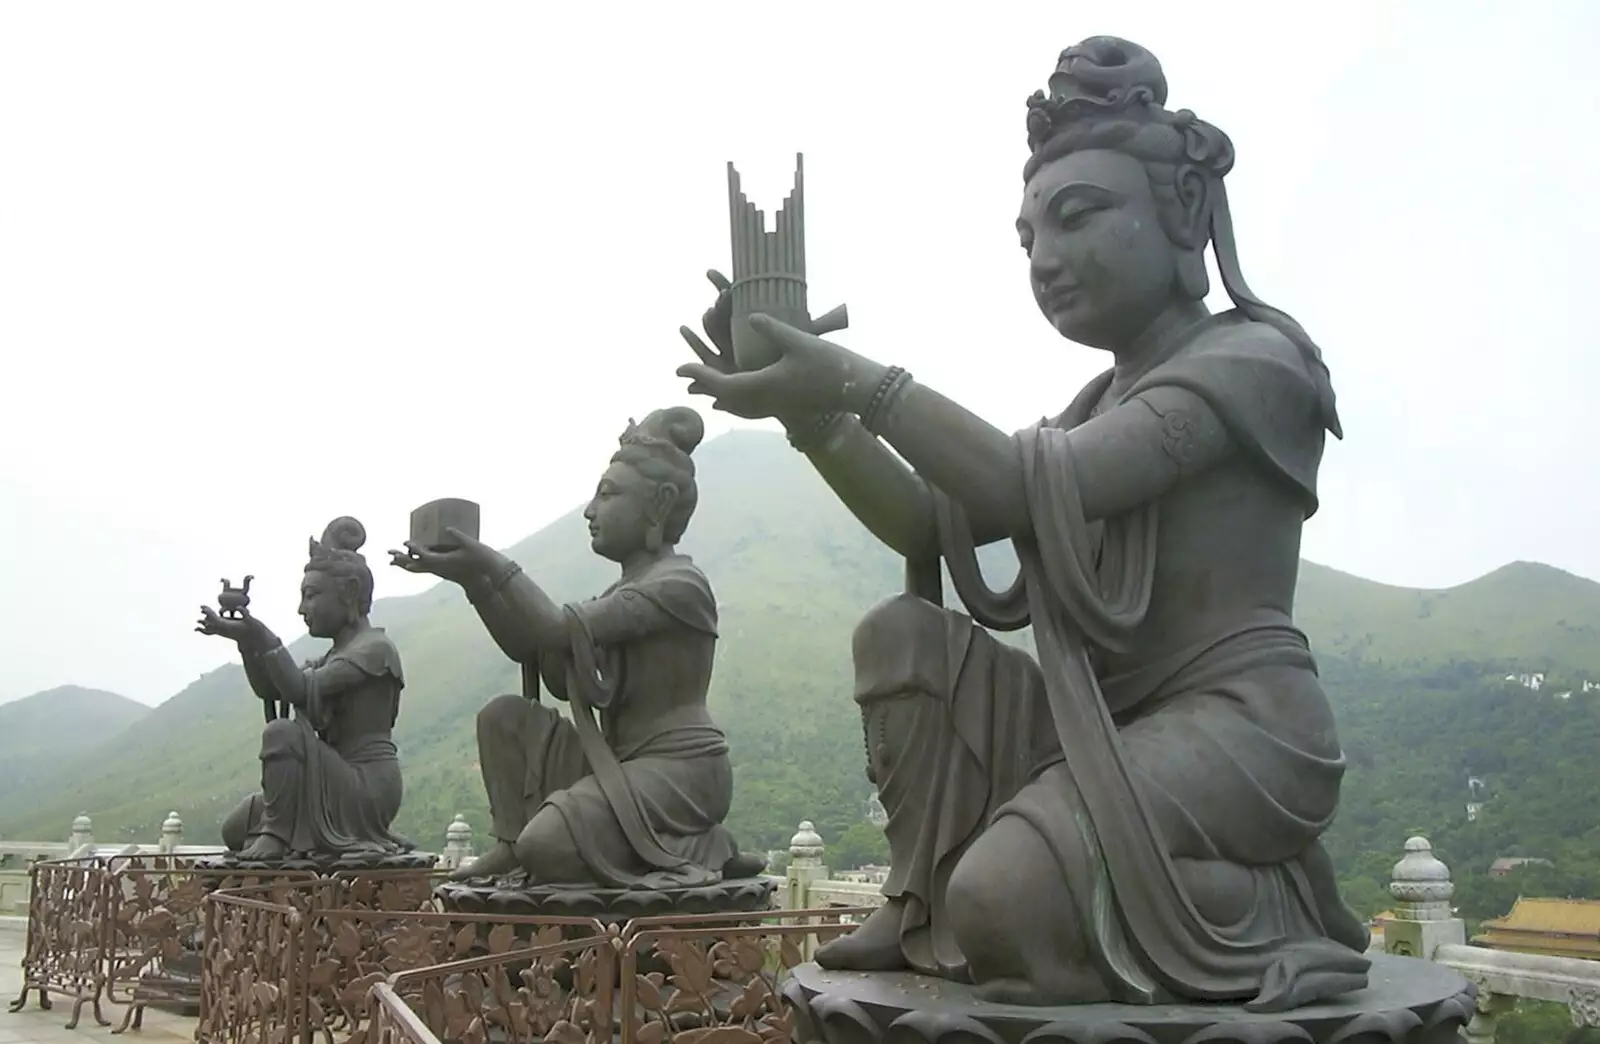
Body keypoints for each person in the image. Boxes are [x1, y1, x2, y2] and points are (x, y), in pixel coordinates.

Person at [675, 37, 1369, 1012]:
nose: (1046, 259)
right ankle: (922, 896)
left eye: (1077, 218)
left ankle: (1260, 904)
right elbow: (924, 520)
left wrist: (857, 384)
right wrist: (810, 414)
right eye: (1027, 238)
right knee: (901, 634)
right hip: (1104, 723)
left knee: (1002, 900)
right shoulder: (1093, 406)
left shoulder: (1253, 364)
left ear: (1180, 214)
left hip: (1239, 730)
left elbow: (1017, 484)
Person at [393, 407, 757, 887]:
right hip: (615, 762)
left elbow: (549, 628)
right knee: (503, 717)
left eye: (607, 495)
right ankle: (510, 842)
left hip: (679, 773)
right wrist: (471, 580)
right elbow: (530, 645)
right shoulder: (618, 596)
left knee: (546, 846)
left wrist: (493, 564)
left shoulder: (679, 585)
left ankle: (701, 844)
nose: (590, 511)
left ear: (661, 503)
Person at [198, 517, 410, 862]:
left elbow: (298, 689)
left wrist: (265, 637)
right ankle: (277, 831)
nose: (302, 608)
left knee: (282, 731)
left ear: (350, 592)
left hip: (364, 784)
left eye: (311, 595)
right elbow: (270, 688)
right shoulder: (331, 657)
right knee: (236, 827)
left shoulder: (374, 649)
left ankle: (278, 836)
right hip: (324, 777)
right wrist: (246, 642)